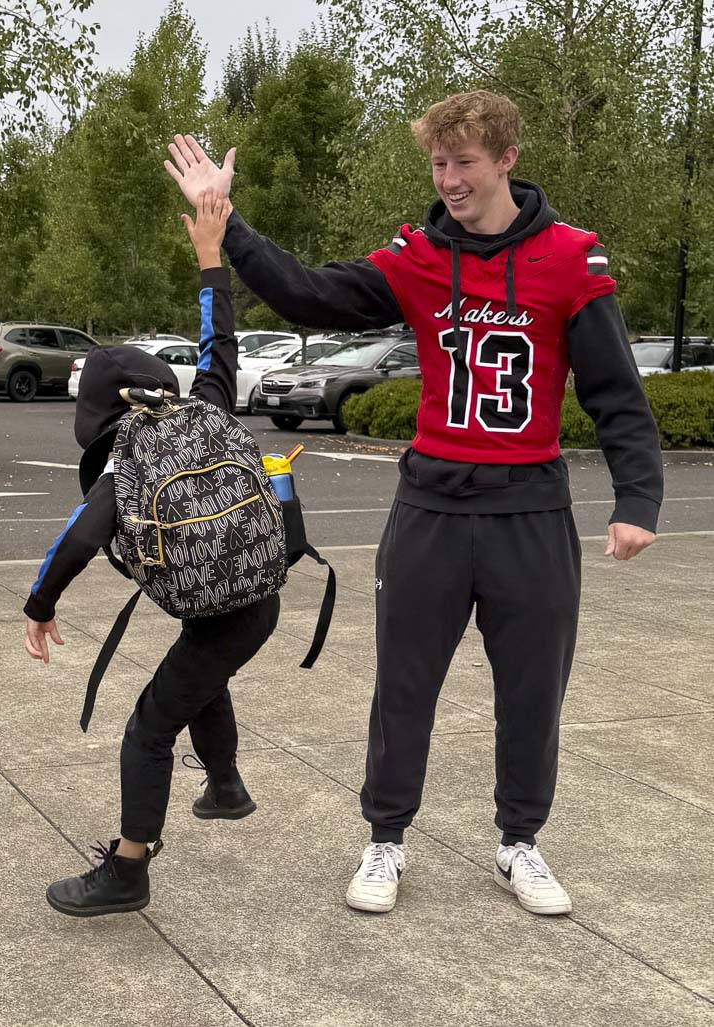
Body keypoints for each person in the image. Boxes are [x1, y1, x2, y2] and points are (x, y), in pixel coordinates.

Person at [165, 91, 663, 917]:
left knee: (534, 691)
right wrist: (227, 218)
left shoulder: (573, 259)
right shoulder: (419, 256)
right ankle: (386, 838)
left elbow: (616, 391)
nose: (450, 179)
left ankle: (519, 841)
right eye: (439, 163)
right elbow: (308, 295)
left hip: (531, 512)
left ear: (506, 158)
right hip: (430, 506)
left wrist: (637, 495)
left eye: (464, 161)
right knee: (404, 685)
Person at [24, 191, 280, 917]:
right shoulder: (208, 405)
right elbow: (218, 344)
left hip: (230, 611)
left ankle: (127, 871)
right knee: (200, 662)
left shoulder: (123, 458)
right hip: (258, 597)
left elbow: (77, 539)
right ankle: (225, 785)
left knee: (149, 725)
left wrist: (38, 606)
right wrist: (210, 259)